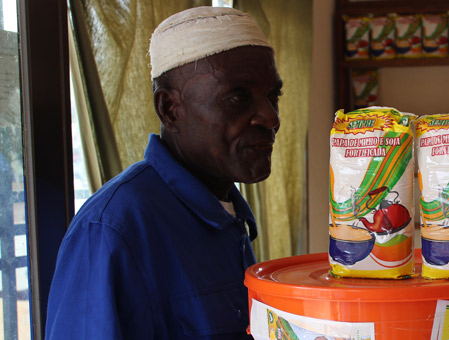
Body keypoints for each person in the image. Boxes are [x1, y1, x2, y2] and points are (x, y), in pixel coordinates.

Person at [45, 7, 282, 339]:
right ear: (170, 109)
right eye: (238, 97)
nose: (270, 118)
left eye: (274, 96)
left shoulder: (228, 212)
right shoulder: (111, 230)